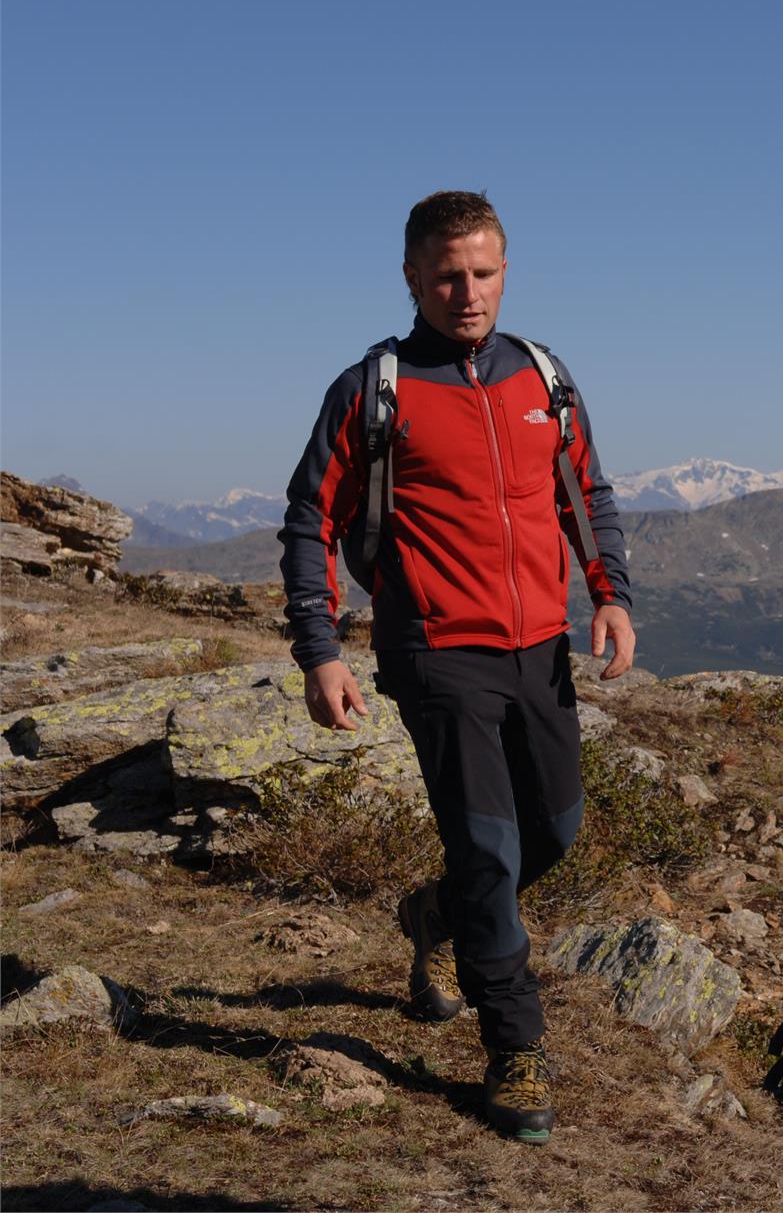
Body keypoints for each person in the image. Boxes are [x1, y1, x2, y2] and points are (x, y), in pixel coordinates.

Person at [279, 190, 635, 1145]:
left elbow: (584, 492)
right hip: (435, 652)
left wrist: (610, 595)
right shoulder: (374, 388)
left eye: (482, 272)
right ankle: (515, 1045)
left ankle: (435, 916)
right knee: (488, 848)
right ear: (411, 277)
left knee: (552, 833)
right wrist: (322, 651)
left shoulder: (543, 377)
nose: (466, 292)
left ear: (505, 270)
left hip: (538, 648)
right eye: (446, 275)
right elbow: (310, 517)